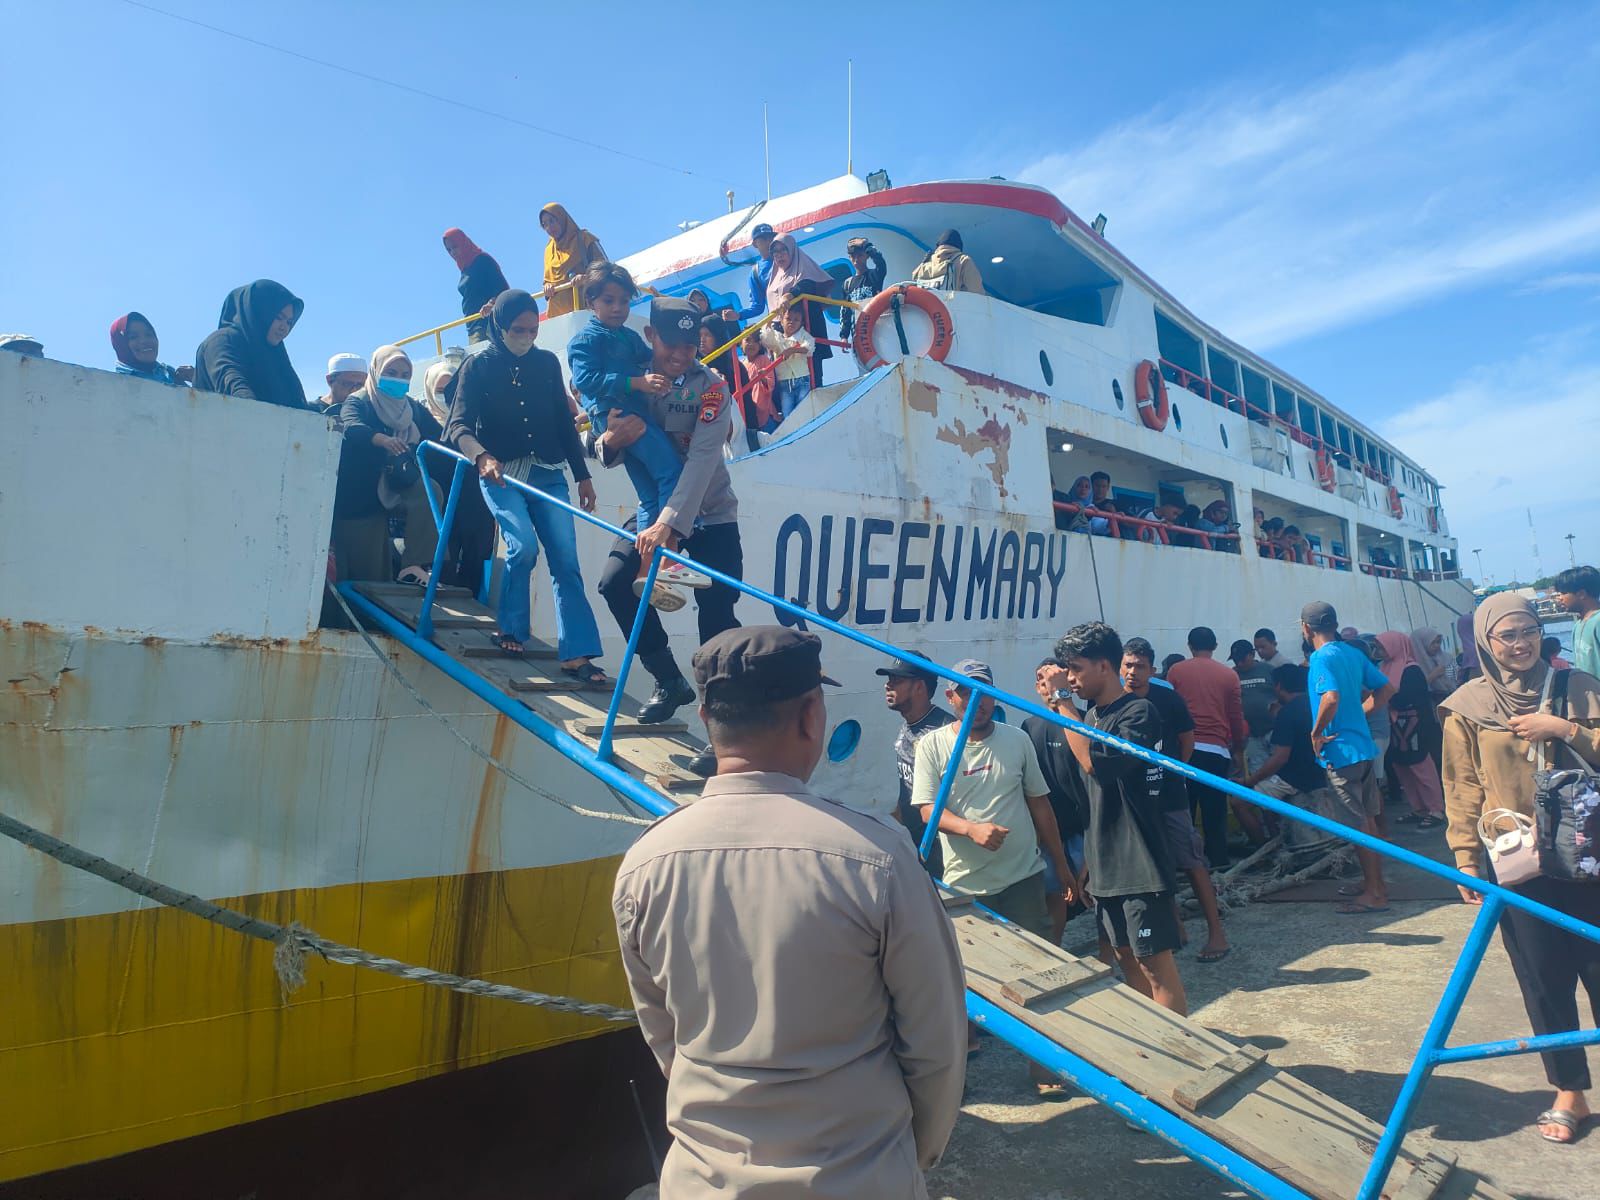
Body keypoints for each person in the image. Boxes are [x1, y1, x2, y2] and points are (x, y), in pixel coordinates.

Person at [613, 627, 967, 1195]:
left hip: (704, 1181)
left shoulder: (644, 863)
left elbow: (666, 1037)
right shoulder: (878, 857)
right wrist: (910, 1156)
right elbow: (936, 1044)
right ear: (811, 717)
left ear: (705, 717)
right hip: (859, 1178)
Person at [1441, 593, 1600, 1145]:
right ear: (1485, 642)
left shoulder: (1580, 687)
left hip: (1589, 850)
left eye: (1528, 630)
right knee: (1542, 977)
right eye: (1506, 635)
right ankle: (1570, 1091)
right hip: (1517, 859)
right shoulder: (1467, 706)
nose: (1520, 643)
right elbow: (1462, 785)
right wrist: (1465, 856)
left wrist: (1566, 730)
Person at [913, 659, 1078, 1095]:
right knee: (961, 986)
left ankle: (1043, 1069)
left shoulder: (1016, 739)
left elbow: (1039, 803)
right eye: (967, 692)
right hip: (965, 886)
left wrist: (1061, 865)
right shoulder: (932, 746)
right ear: (950, 696)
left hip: (1023, 877)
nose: (978, 702)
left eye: (984, 693)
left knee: (1038, 973)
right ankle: (956, 1078)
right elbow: (928, 811)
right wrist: (971, 830)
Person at [591, 295, 744, 731]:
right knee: (615, 583)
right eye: (670, 344)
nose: (680, 355)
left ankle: (722, 730)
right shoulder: (632, 378)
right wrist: (610, 441)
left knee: (717, 617)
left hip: (710, 513)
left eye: (690, 346)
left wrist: (668, 525)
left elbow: (702, 459)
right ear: (650, 335)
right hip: (654, 510)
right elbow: (598, 431)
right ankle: (667, 679)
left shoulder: (712, 387)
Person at [444, 290, 608, 683]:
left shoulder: (547, 363)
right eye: (519, 330)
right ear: (500, 326)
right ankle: (512, 629)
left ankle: (577, 652)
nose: (527, 337)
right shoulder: (477, 366)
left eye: (533, 330)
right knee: (523, 547)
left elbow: (563, 423)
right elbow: (457, 425)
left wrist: (582, 475)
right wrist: (481, 456)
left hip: (549, 472)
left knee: (566, 559)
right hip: (501, 473)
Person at [1048, 623, 1187, 1015]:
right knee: (1126, 959)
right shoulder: (1091, 717)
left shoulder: (1139, 712)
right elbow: (1091, 794)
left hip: (1140, 863)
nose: (1070, 679)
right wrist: (1089, 863)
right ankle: (1151, 1039)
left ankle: (1178, 1047)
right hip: (1106, 862)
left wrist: (1062, 701)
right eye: (1067, 671)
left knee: (1154, 966)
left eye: (1076, 669)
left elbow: (1097, 765)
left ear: (1104, 666)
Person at [568, 266, 702, 601]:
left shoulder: (628, 336)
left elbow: (651, 359)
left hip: (630, 414)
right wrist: (637, 383)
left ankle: (646, 572)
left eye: (624, 301)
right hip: (620, 415)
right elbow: (586, 381)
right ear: (591, 302)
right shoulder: (584, 340)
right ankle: (668, 560)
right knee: (671, 472)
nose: (617, 308)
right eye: (609, 300)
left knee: (649, 496)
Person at [1123, 637, 1231, 962]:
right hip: (1135, 800)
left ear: (1152, 670)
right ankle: (1176, 928)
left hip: (1170, 796)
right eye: (1128, 665)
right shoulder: (1113, 702)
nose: (1132, 672)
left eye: (1140, 666)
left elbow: (1187, 741)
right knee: (1156, 866)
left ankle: (1217, 934)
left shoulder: (1167, 700)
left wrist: (1174, 775)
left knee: (1192, 862)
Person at [1302, 601, 1396, 915]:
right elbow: (1386, 689)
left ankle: (1375, 892)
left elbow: (1330, 698)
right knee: (1368, 820)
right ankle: (1374, 883)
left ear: (1306, 628)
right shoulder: (1352, 652)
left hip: (1340, 754)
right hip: (1363, 747)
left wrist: (1316, 732)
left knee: (1357, 827)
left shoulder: (1320, 657)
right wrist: (1359, 713)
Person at [332, 344, 443, 586]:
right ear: (376, 372)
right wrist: (381, 440)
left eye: (405, 375)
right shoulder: (359, 401)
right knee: (371, 576)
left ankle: (415, 564)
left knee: (431, 490)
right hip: (362, 496)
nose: (398, 380)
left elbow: (442, 439)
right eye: (391, 373)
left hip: (400, 481)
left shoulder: (412, 408)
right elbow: (349, 426)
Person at [1167, 628, 1249, 867]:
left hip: (1184, 751)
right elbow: (1235, 716)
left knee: (1185, 811)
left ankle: (1185, 864)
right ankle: (1219, 862)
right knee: (1215, 813)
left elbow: (1170, 709)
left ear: (1190, 646)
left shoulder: (1176, 671)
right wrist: (1238, 748)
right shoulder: (1229, 675)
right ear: (1214, 647)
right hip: (1217, 751)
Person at [1025, 658, 1091, 943]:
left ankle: (1107, 954)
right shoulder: (1029, 725)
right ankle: (1056, 949)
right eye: (1042, 681)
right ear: (1037, 686)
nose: (1047, 687)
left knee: (1094, 893)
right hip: (1048, 829)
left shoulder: (1084, 722)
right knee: (1055, 894)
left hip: (1083, 827)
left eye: (1053, 681)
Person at [878, 656, 953, 873]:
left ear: (919, 687)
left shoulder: (945, 732)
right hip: (914, 844)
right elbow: (907, 787)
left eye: (897, 680)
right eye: (889, 679)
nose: (888, 685)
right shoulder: (908, 725)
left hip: (939, 851)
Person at [193, 279, 306, 409]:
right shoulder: (221, 341)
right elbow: (234, 386)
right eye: (279, 318)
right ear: (260, 313)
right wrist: (256, 412)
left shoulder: (276, 355)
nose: (284, 328)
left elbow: (296, 405)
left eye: (289, 322)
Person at [1242, 664, 1337, 815]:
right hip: (1322, 772)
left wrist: (1251, 780)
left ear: (1279, 686)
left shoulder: (1286, 712)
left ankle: (1265, 832)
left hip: (1292, 779)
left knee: (1239, 803)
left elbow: (1280, 758)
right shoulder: (1317, 705)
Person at [763, 234, 834, 384]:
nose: (779, 255)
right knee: (784, 375)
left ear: (792, 250)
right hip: (782, 334)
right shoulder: (774, 276)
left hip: (805, 329)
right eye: (775, 252)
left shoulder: (803, 268)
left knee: (812, 375)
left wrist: (789, 295)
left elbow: (805, 285)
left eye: (783, 250)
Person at [1387, 661, 1445, 829]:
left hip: (1415, 728)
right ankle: (1419, 809)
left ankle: (1436, 810)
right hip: (1396, 728)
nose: (1379, 650)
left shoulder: (1411, 669)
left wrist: (1386, 696)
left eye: (1382, 648)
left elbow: (1405, 698)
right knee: (1404, 770)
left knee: (1422, 769)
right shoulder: (1385, 667)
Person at [442, 228, 510, 344]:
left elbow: (503, 289)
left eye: (455, 246)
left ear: (463, 243)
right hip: (473, 326)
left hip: (489, 324)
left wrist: (491, 303)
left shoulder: (482, 260)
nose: (452, 252)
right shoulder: (464, 269)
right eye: (449, 250)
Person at [539, 202, 607, 318]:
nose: (549, 228)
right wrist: (547, 287)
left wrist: (586, 278)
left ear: (562, 218)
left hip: (586, 309)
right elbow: (547, 280)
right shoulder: (549, 250)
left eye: (552, 221)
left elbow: (606, 269)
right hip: (557, 315)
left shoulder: (584, 238)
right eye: (544, 224)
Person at [759, 299, 815, 419]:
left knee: (804, 409)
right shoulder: (777, 338)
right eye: (788, 319)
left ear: (801, 323)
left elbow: (809, 347)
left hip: (802, 378)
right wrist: (771, 317)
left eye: (796, 320)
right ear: (781, 321)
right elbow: (765, 338)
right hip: (784, 381)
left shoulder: (802, 335)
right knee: (787, 412)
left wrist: (793, 350)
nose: (792, 322)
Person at [1230, 640, 1277, 777]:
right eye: (1236, 660)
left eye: (1242, 659)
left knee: (1279, 768)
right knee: (1257, 772)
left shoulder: (1268, 670)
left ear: (1252, 654)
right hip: (1250, 735)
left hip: (1273, 729)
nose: (1239, 664)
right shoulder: (1231, 675)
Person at [109, 312, 192, 385]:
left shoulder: (170, 375)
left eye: (149, 334)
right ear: (120, 344)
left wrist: (196, 379)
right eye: (133, 337)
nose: (144, 341)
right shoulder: (113, 385)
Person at [838, 236, 887, 354]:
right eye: (853, 256)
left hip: (877, 329)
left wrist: (868, 246)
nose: (856, 260)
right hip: (858, 334)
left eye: (860, 255)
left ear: (866, 256)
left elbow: (881, 264)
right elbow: (845, 312)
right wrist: (844, 336)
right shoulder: (847, 284)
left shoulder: (875, 275)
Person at [1555, 565, 1600, 677]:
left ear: (1581, 594)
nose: (1559, 598)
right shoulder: (1578, 625)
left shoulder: (1597, 622)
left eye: (1563, 593)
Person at [730, 221, 779, 323]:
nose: (768, 241)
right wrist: (739, 315)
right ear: (755, 244)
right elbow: (758, 307)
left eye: (771, 238)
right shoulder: (755, 272)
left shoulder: (788, 257)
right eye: (763, 239)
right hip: (782, 320)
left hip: (804, 312)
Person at [911, 229, 985, 294]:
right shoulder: (963, 260)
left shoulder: (926, 263)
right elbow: (977, 291)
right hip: (951, 305)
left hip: (925, 305)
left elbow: (914, 282)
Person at [739, 330, 778, 436]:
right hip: (750, 411)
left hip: (765, 411)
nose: (751, 344)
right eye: (747, 340)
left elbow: (771, 383)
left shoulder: (763, 359)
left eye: (755, 341)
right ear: (741, 343)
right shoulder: (741, 364)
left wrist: (763, 378)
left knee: (769, 440)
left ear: (760, 345)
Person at [1411, 627, 1452, 705]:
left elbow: (1456, 681)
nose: (1437, 645)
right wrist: (1432, 676)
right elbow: (1414, 691)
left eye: (1438, 642)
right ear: (1421, 644)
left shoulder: (1447, 659)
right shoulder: (1412, 667)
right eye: (1432, 643)